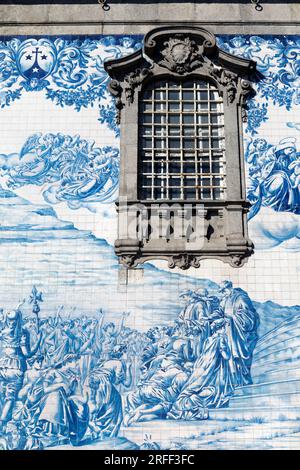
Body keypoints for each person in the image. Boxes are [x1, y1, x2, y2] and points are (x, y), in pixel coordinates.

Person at [168, 316, 233, 419]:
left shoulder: (208, 340)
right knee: (211, 394)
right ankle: (184, 407)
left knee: (189, 390)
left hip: (200, 369)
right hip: (209, 372)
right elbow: (226, 356)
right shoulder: (221, 339)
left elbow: (203, 356)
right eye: (227, 326)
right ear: (223, 327)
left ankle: (178, 408)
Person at [0, 306, 41, 429]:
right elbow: (27, 354)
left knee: (3, 395)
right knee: (10, 397)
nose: (11, 323)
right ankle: (2, 424)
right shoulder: (23, 333)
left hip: (2, 367)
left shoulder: (3, 331)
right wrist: (38, 341)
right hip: (16, 369)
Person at [219, 280, 260, 387]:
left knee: (241, 359)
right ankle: (235, 382)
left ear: (230, 288)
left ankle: (244, 382)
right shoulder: (226, 299)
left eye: (224, 290)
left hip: (241, 336)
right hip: (229, 334)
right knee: (230, 358)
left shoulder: (241, 298)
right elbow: (221, 312)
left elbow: (249, 316)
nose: (223, 293)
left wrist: (232, 317)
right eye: (222, 291)